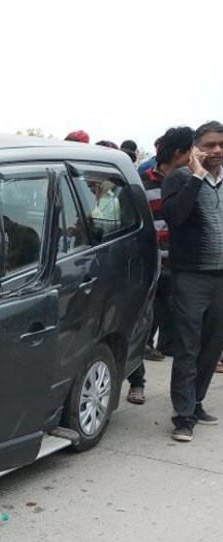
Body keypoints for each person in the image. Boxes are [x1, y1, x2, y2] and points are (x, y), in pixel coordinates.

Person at [161, 121, 223, 442]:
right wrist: (197, 176)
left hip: (221, 278)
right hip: (191, 276)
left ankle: (195, 402)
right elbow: (175, 215)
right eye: (210, 145)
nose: (216, 151)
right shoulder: (179, 179)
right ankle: (183, 417)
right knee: (187, 346)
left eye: (221, 145)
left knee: (212, 348)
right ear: (196, 147)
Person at [127, 127, 195, 405]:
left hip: (185, 267)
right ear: (181, 152)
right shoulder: (141, 182)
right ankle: (137, 382)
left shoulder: (193, 182)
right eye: (192, 150)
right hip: (151, 265)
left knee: (187, 331)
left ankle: (188, 398)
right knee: (141, 325)